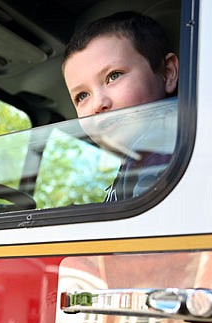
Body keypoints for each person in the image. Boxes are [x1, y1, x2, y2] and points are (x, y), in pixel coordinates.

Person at [62, 11, 179, 201]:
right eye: (82, 96)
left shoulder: (168, 151)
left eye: (113, 76)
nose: (98, 104)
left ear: (168, 73)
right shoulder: (138, 159)